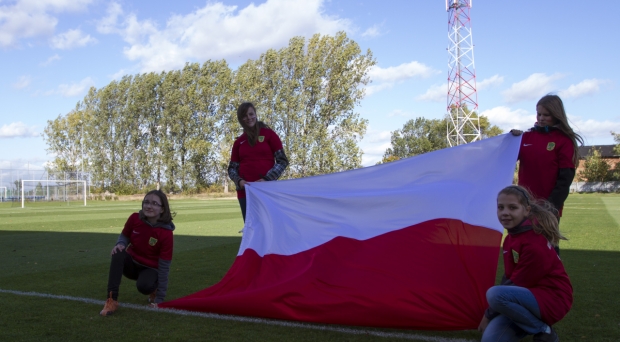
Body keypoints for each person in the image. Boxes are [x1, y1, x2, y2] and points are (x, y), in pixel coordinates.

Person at [478, 185, 572, 342]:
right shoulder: (512, 238)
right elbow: (509, 277)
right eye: (500, 207)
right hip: (526, 300)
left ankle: (544, 331)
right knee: (491, 339)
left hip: (552, 299)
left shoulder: (533, 241)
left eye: (512, 207)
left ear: (527, 210)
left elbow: (516, 284)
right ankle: (530, 323)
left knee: (494, 294)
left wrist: (488, 314)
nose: (505, 212)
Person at [511, 94, 583, 253]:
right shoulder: (525, 137)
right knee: (523, 247)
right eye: (539, 114)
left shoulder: (564, 140)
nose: (541, 118)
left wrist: (551, 206)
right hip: (524, 205)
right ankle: (523, 278)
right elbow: (504, 159)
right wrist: (511, 140)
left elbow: (565, 178)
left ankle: (553, 278)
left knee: (547, 249)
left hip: (548, 207)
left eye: (546, 115)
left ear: (556, 115)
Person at [100, 190, 175, 316]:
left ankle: (154, 290)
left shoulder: (166, 233)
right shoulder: (134, 218)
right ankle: (112, 300)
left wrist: (160, 300)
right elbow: (124, 237)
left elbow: (164, 266)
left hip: (151, 269)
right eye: (146, 202)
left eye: (154, 203)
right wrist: (121, 244)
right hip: (132, 264)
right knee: (118, 252)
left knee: (144, 286)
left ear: (162, 209)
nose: (149, 206)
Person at [228, 102, 289, 221]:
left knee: (271, 226)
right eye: (244, 116)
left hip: (267, 190)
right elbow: (232, 169)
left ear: (255, 114)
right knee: (251, 229)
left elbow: (282, 161)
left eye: (251, 114)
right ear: (241, 119)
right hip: (246, 193)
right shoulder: (238, 142)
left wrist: (267, 179)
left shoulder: (269, 135)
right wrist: (239, 181)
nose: (249, 118)